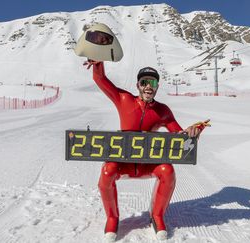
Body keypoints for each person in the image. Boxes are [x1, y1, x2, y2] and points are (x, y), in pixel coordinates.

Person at [84, 60, 208, 241]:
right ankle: (112, 217)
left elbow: (179, 136)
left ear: (157, 86)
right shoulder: (124, 99)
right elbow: (100, 78)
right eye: (144, 82)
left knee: (167, 170)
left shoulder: (163, 111)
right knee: (107, 170)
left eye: (153, 83)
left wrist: (193, 132)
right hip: (123, 164)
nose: (149, 87)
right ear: (138, 85)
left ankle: (157, 215)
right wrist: (98, 61)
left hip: (146, 164)